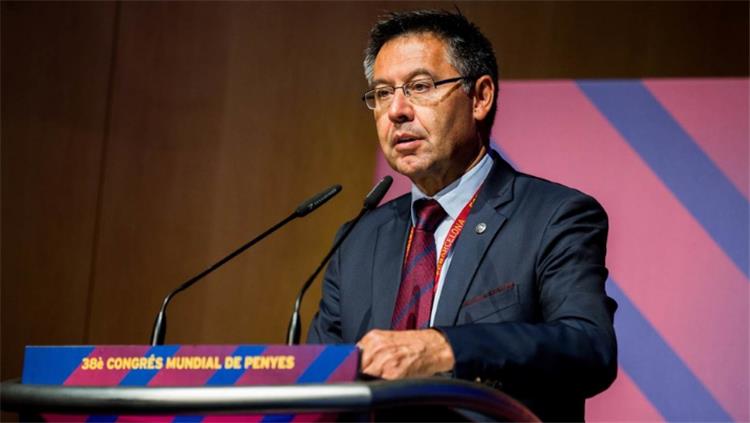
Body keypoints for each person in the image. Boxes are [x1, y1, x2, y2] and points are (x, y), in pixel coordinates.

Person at [308, 9, 617, 421]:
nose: (396, 110)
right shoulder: (358, 240)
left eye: (420, 86)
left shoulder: (554, 217)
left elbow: (588, 348)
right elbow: (315, 385)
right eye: (382, 93)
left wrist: (446, 347)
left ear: (480, 97)